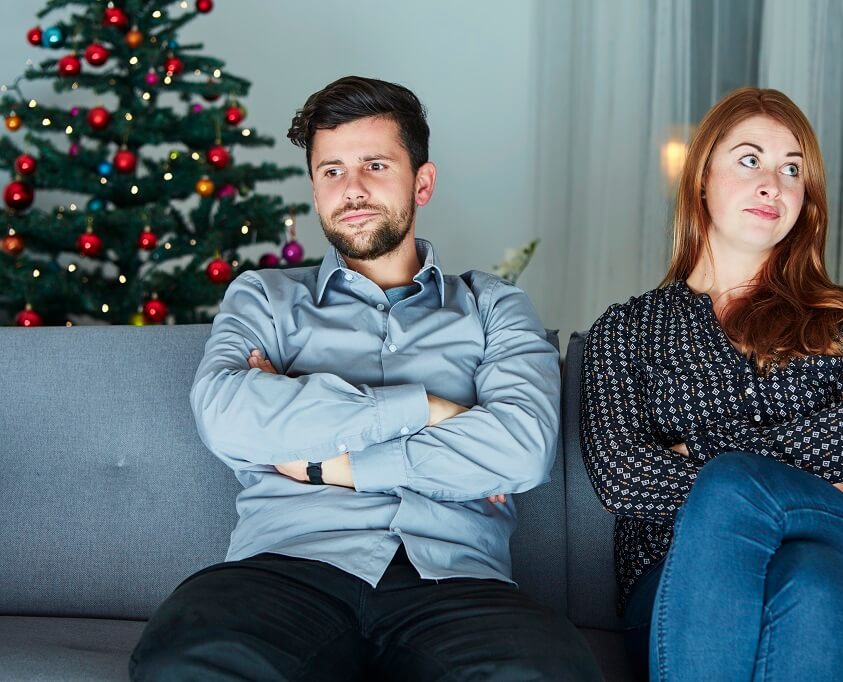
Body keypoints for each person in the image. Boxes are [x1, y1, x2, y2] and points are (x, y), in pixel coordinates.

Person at [131, 75, 600, 681]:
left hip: (456, 582)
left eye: (375, 165)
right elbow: (227, 416)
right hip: (284, 569)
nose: (351, 189)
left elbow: (523, 448)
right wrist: (426, 407)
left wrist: (333, 466)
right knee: (189, 667)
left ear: (421, 182)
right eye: (331, 171)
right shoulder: (265, 298)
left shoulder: (494, 307)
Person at [581, 87, 843, 681]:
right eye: (749, 160)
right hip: (675, 587)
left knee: (737, 486)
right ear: (701, 178)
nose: (774, 183)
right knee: (812, 582)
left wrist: (703, 455)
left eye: (793, 169)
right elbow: (621, 476)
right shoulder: (626, 330)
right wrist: (808, 474)